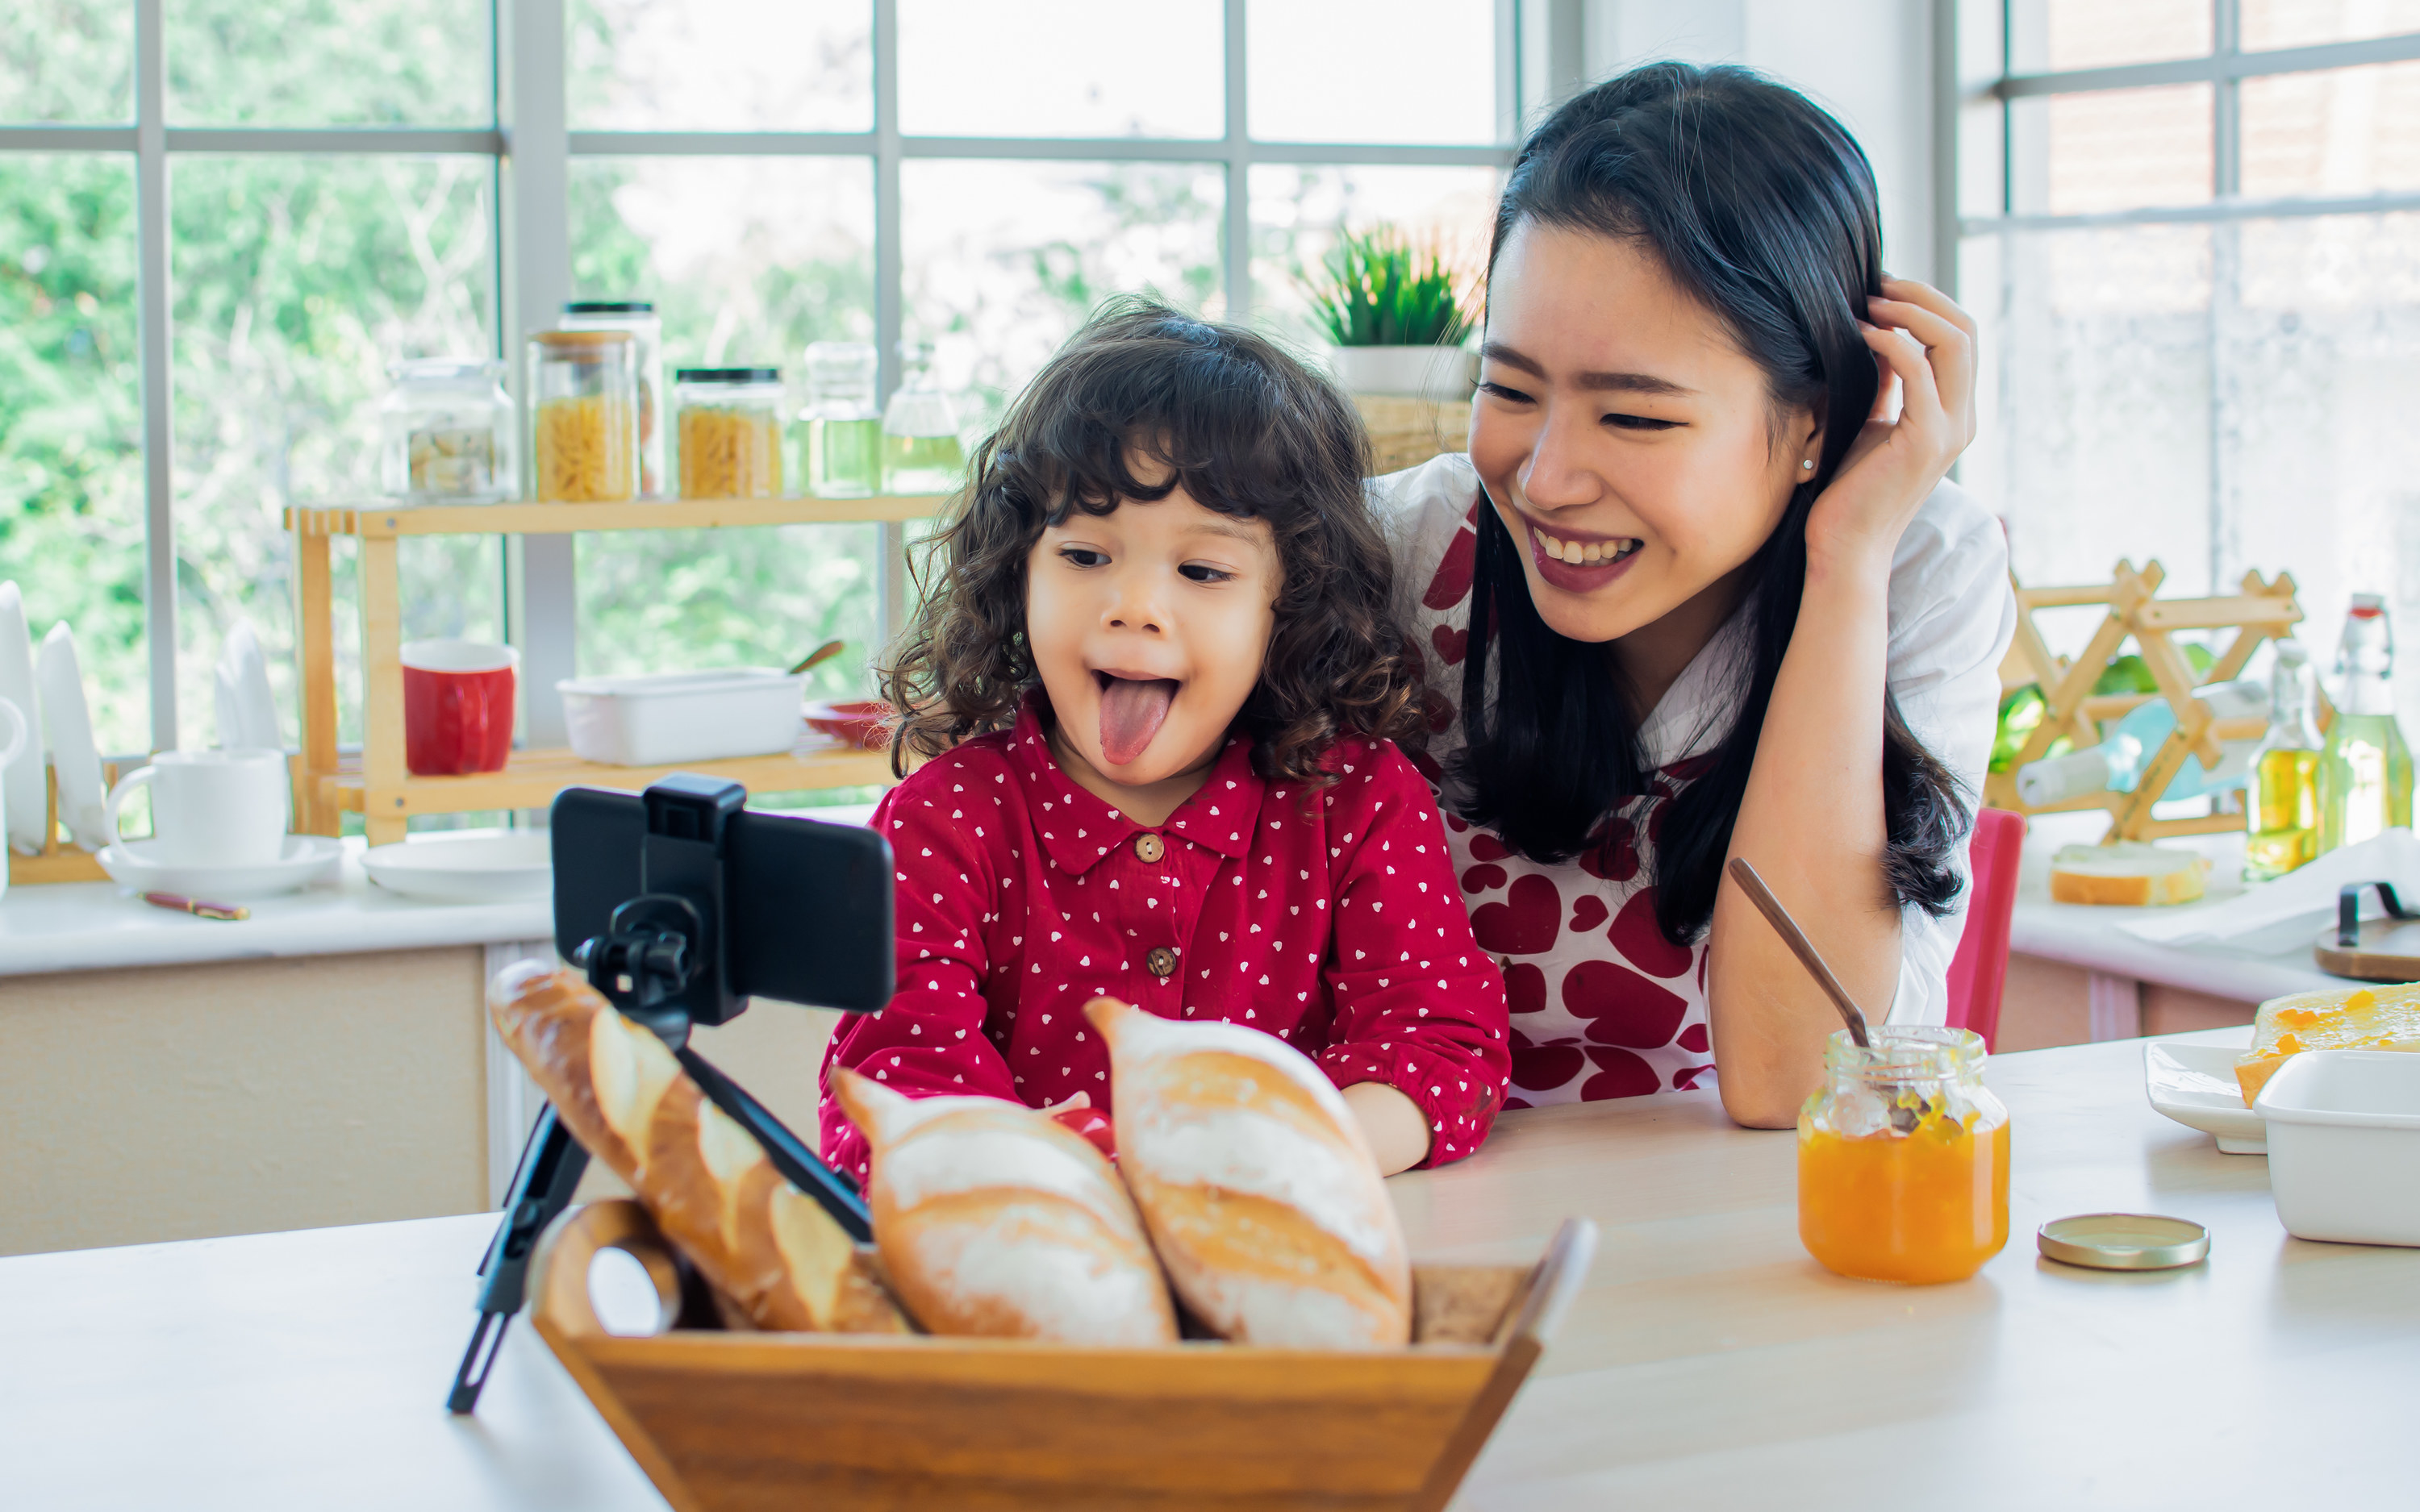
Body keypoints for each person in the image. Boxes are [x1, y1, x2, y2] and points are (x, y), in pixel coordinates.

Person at [1376, 63, 2016, 1128]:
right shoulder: (1400, 549)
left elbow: (1798, 1081)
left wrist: (1846, 560)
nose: (1544, 478)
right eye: (1510, 388)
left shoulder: (1915, 563)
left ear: (1812, 420)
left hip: (1740, 1246)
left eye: (1633, 418)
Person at [820, 297, 1511, 1182]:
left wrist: (1266, 1153)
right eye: (1083, 556)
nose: (1135, 606)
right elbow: (885, 1085)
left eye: (1202, 571)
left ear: (1289, 604)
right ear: (1015, 570)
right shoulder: (941, 821)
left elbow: (1439, 1050)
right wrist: (1035, 1165)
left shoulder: (1359, 800)